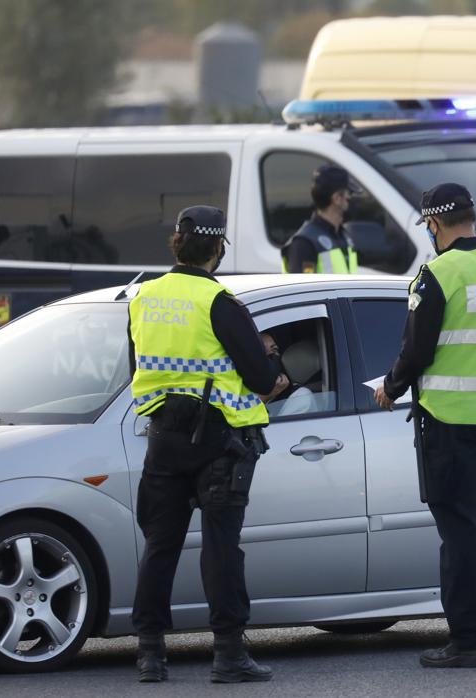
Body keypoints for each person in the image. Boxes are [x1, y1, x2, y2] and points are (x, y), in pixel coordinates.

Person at [374, 183, 476, 669]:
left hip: (450, 419)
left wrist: (390, 387)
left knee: (461, 530)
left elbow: (417, 350)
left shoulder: (438, 274)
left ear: (434, 225)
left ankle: (468, 640)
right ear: (473, 216)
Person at [128, 205, 289, 683]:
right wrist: (272, 357)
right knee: (221, 548)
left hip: (163, 438)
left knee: (160, 546)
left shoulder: (143, 297)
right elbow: (261, 378)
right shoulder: (219, 302)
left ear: (177, 241)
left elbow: (137, 363)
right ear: (218, 248)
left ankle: (150, 654)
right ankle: (229, 655)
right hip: (220, 442)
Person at [280, 165, 361, 274]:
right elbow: (305, 289)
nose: (351, 199)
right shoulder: (304, 244)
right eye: (349, 194)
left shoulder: (342, 236)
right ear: (337, 198)